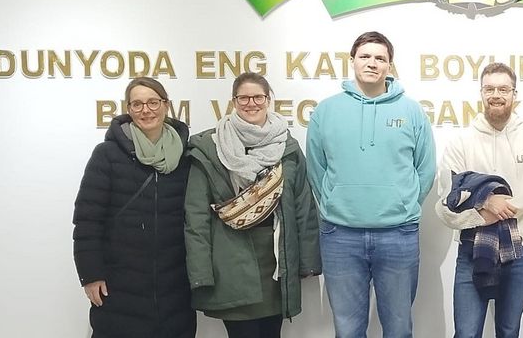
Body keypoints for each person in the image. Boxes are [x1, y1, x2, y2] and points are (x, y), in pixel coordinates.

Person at [306, 31, 436, 338]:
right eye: (365, 56)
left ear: (390, 66)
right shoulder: (326, 111)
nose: (372, 63)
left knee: (399, 328)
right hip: (340, 235)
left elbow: (426, 169)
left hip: (398, 234)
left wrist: (405, 205)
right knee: (348, 330)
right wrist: (333, 203)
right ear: (352, 61)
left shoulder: (411, 111)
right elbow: (316, 166)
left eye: (380, 58)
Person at [184, 72, 321, 338]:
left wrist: (307, 262)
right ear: (234, 102)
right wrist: (200, 272)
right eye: (243, 98)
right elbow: (196, 216)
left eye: (258, 97)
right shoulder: (209, 148)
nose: (251, 103)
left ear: (268, 100)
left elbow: (304, 206)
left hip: (276, 263)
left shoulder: (287, 147)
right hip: (230, 265)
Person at [435, 62, 523, 338]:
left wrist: (501, 207)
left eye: (503, 88)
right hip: (471, 250)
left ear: (514, 94)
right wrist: (484, 206)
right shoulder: (461, 141)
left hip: (518, 249)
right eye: (489, 88)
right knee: (466, 333)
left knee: (509, 331)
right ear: (481, 93)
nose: (496, 94)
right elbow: (446, 200)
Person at [73, 77, 196, 338]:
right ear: (129, 109)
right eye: (137, 104)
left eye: (153, 102)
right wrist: (91, 274)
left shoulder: (186, 157)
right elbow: (87, 220)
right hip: (119, 287)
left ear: (166, 105)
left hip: (175, 288)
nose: (146, 110)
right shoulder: (107, 154)